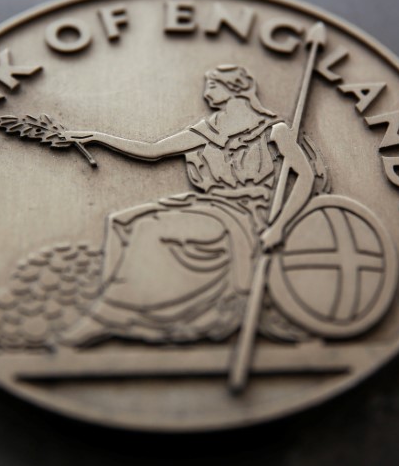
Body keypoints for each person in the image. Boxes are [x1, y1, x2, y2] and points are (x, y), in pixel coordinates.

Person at [55, 64, 318, 346]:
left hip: (247, 214)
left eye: (213, 86)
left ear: (235, 89)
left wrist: (279, 226)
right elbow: (153, 150)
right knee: (123, 221)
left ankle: (107, 319)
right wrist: (98, 138)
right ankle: (138, 312)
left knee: (149, 229)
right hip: (209, 206)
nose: (206, 94)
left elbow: (306, 174)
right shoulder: (208, 131)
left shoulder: (273, 130)